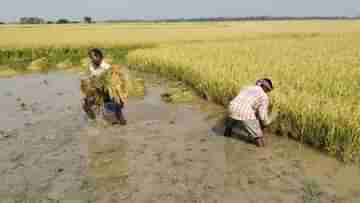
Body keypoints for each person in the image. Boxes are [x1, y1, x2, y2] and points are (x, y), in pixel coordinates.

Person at [81, 48, 128, 125]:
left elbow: (115, 82)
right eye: (90, 57)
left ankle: (122, 125)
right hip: (97, 91)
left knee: (118, 113)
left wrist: (120, 96)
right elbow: (91, 78)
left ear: (99, 56)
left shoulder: (107, 67)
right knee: (86, 106)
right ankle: (94, 120)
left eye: (93, 57)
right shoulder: (91, 66)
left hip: (108, 92)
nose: (91, 59)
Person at [224, 78, 275, 147]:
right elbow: (262, 115)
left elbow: (241, 98)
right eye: (268, 90)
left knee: (229, 127)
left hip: (232, 107)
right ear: (266, 88)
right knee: (258, 137)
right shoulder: (264, 96)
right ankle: (261, 151)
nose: (268, 92)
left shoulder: (247, 87)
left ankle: (225, 139)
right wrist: (266, 123)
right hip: (246, 112)